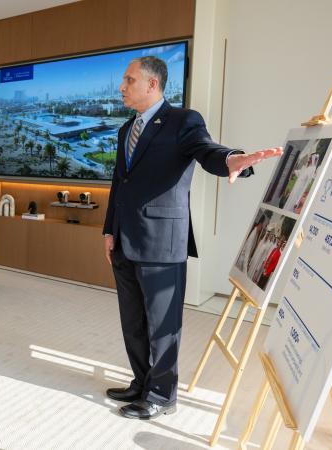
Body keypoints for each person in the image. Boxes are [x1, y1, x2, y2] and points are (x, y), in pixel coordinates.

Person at [102, 56, 282, 419]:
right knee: (133, 320)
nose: (122, 86)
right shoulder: (125, 130)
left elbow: (206, 150)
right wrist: (109, 229)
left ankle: (161, 395)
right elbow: (119, 183)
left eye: (129, 79)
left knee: (162, 326)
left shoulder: (184, 121)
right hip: (124, 239)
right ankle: (141, 382)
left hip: (162, 243)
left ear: (152, 84)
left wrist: (231, 159)